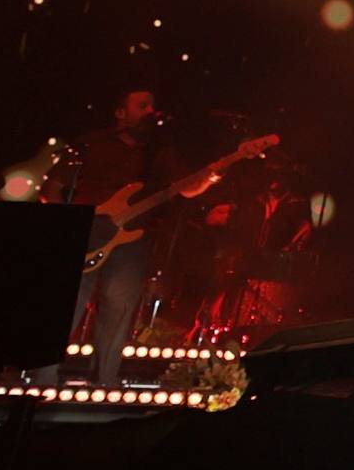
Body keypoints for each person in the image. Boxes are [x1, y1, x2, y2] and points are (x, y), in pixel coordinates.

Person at [44, 89, 224, 387]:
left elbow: (187, 188)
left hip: (130, 242)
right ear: (120, 112)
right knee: (68, 305)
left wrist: (215, 172)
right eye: (142, 105)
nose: (150, 111)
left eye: (153, 105)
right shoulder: (92, 143)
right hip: (85, 234)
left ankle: (104, 383)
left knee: (118, 309)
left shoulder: (160, 152)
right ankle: (42, 381)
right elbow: (53, 187)